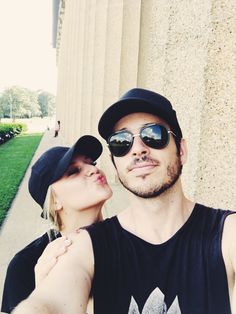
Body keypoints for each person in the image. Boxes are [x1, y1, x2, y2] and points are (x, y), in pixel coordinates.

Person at [12, 88, 236, 314]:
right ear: (114, 163)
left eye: (154, 135)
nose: (138, 149)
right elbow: (48, 304)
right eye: (121, 142)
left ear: (182, 151)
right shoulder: (83, 247)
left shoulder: (227, 234)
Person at [1, 135, 112, 313]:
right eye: (74, 171)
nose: (92, 169)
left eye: (92, 163)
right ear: (54, 202)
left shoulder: (130, 239)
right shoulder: (24, 266)